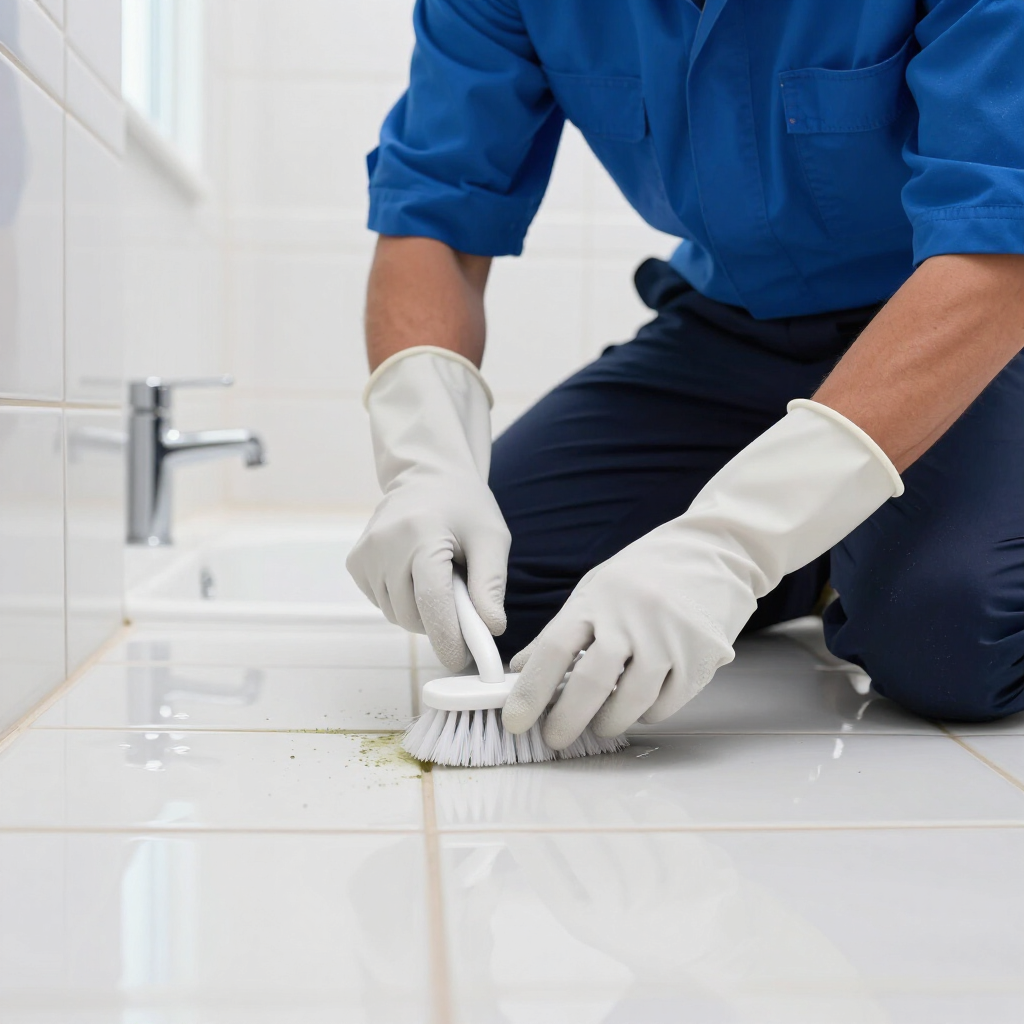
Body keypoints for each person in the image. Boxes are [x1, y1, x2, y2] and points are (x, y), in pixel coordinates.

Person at [347, 0, 1024, 749]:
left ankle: (856, 543)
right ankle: (826, 548)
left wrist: (733, 542)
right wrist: (426, 458)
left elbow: (997, 237)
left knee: (948, 633)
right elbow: (434, 209)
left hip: (970, 325)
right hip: (729, 327)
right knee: (503, 591)